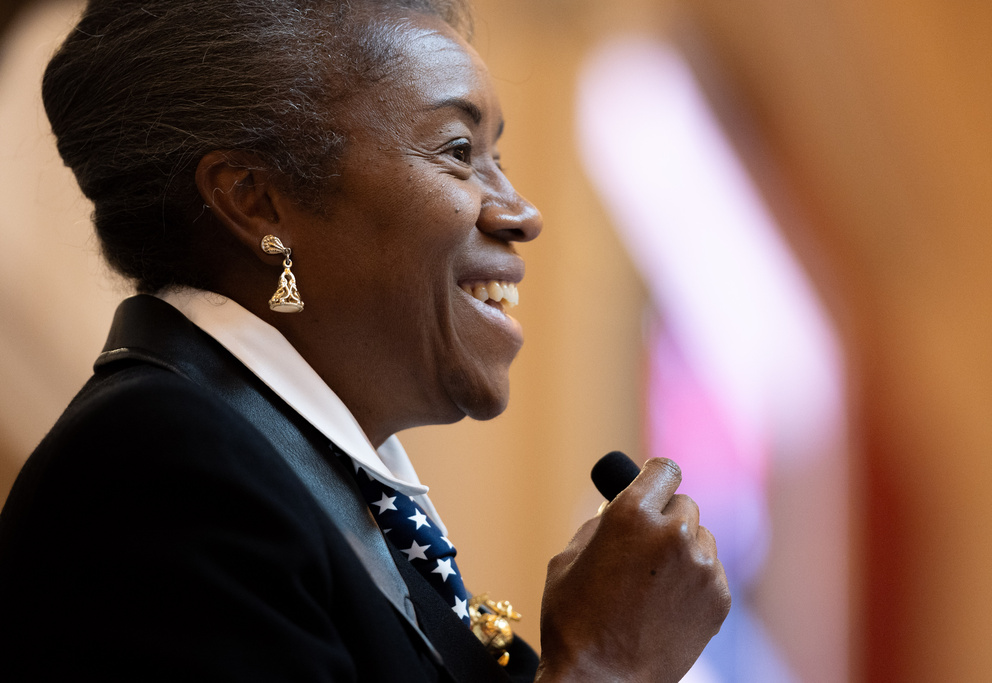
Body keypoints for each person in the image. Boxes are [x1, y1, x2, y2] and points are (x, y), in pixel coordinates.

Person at [0, 1, 730, 681]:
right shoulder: (159, 471)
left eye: (496, 154)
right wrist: (605, 661)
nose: (521, 213)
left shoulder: (321, 488)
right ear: (256, 200)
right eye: (457, 149)